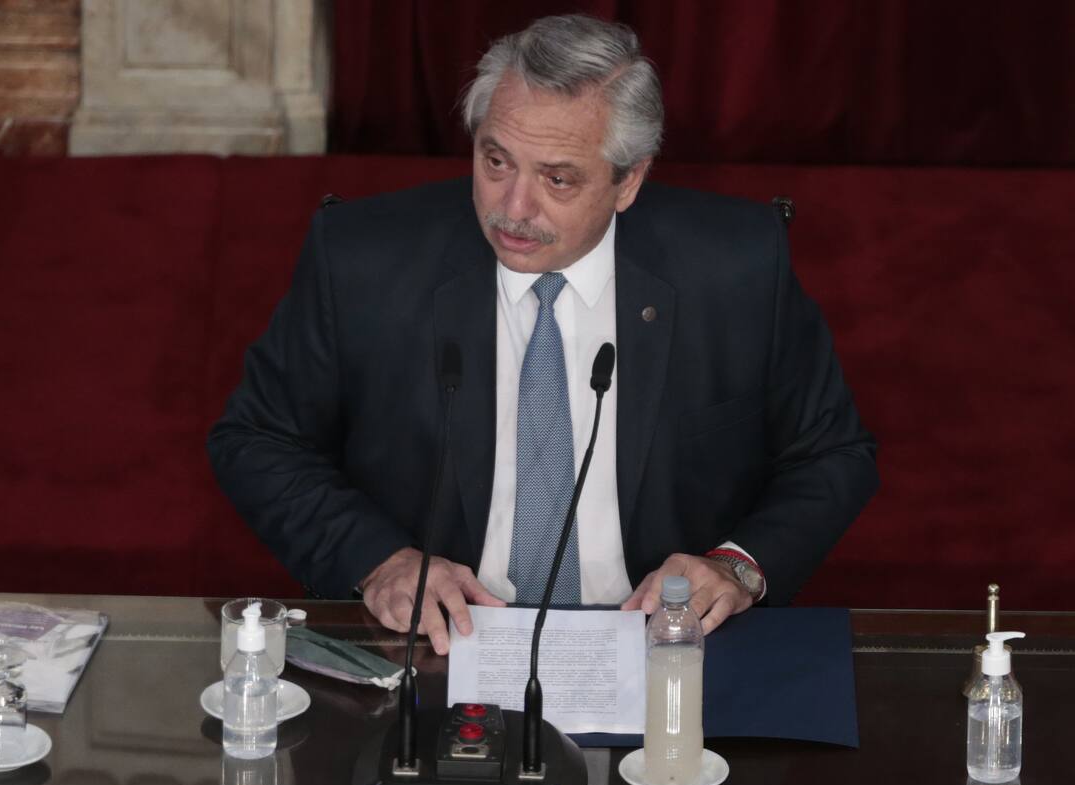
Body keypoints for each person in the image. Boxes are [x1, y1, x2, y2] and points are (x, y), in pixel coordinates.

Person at [208, 15, 877, 656]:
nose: (514, 208)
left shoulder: (736, 267)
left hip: (666, 650)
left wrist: (736, 568)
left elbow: (832, 455)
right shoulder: (362, 258)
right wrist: (378, 560)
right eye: (496, 161)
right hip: (438, 645)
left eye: (558, 179)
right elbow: (258, 439)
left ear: (629, 180)